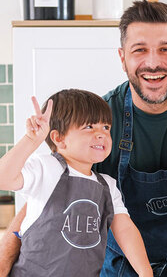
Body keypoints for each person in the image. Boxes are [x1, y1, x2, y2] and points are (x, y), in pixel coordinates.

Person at [0, 0, 167, 276]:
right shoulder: (97, 124)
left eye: (166, 49)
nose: (153, 63)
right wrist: (3, 262)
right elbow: (44, 198)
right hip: (116, 268)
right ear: (122, 56)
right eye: (139, 50)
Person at [0, 90, 152, 277]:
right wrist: (31, 140)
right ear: (59, 138)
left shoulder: (108, 186)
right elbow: (4, 178)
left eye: (106, 127)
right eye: (89, 127)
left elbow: (126, 230)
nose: (101, 134)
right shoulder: (45, 168)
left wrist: (146, 272)